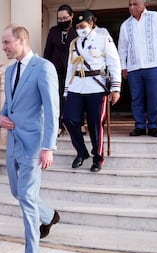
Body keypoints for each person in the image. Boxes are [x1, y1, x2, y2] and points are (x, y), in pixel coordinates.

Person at [0, 24, 60, 253]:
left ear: (21, 40)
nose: (3, 48)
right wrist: (1, 117)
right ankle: (50, 216)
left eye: (6, 43)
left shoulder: (44, 68)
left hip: (34, 145)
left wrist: (48, 147)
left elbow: (52, 109)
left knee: (26, 197)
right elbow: (8, 105)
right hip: (13, 143)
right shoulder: (10, 70)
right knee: (17, 191)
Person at [63, 10, 122, 173]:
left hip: (96, 87)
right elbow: (70, 67)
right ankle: (82, 152)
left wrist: (116, 88)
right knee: (68, 119)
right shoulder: (74, 42)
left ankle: (98, 157)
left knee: (96, 124)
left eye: (82, 26)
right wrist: (67, 91)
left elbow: (114, 63)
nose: (79, 29)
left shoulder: (103, 39)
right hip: (76, 86)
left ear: (91, 24)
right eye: (77, 26)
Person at [118, 0, 157, 137]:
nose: (132, 7)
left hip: (153, 65)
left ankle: (153, 126)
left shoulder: (155, 17)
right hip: (133, 67)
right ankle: (139, 126)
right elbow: (122, 48)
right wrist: (123, 66)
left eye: (135, 4)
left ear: (144, 4)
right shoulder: (126, 24)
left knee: (153, 97)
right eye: (130, 5)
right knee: (136, 98)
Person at [44, 4, 77, 137]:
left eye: (65, 18)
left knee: (72, 99)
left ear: (71, 16)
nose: (62, 21)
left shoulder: (77, 31)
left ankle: (73, 125)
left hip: (73, 71)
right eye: (60, 19)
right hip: (55, 71)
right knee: (56, 99)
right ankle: (57, 125)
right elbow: (47, 52)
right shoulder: (53, 31)